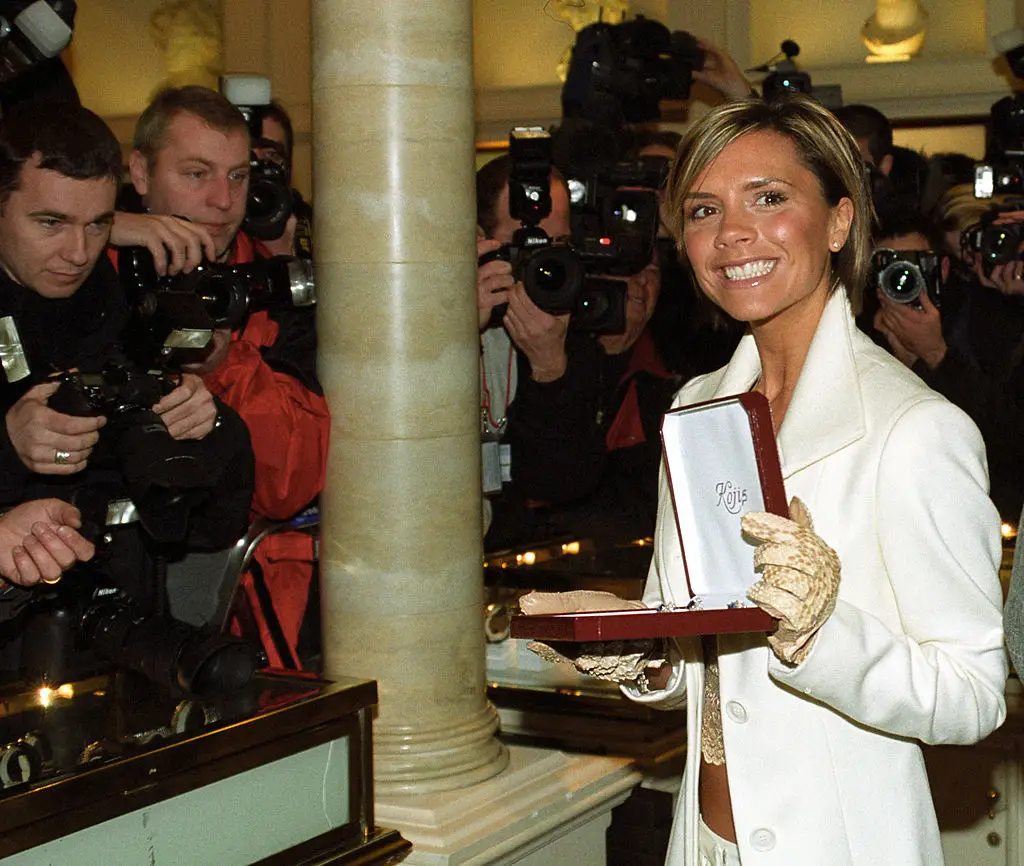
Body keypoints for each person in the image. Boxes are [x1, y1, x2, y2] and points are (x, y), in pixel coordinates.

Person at [523, 96, 1007, 865]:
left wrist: (821, 632)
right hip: (703, 843)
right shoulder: (696, 407)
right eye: (705, 209)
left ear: (841, 221)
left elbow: (972, 694)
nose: (732, 234)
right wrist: (634, 646)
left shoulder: (916, 431)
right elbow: (707, 663)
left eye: (770, 198)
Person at [0, 99, 254, 674]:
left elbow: (207, 523)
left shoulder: (106, 295)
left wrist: (204, 427)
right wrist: (8, 446)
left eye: (98, 225)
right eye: (50, 223)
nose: (78, 252)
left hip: (115, 629)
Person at [123, 85, 329, 668]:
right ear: (140, 172)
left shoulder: (272, 288)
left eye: (237, 176)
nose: (222, 200)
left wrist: (222, 363)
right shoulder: (87, 268)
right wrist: (106, 231)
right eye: (196, 174)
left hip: (237, 615)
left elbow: (290, 482)